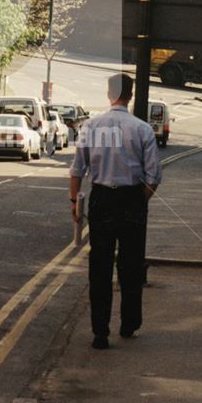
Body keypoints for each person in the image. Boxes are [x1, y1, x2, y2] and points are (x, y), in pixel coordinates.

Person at [69, 72, 162, 349]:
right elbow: (154, 176)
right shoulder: (142, 129)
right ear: (130, 95)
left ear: (109, 94)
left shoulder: (91, 126)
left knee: (100, 266)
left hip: (101, 200)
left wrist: (75, 202)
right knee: (131, 266)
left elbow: (77, 170)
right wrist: (139, 199)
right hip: (132, 198)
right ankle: (129, 324)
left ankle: (100, 331)